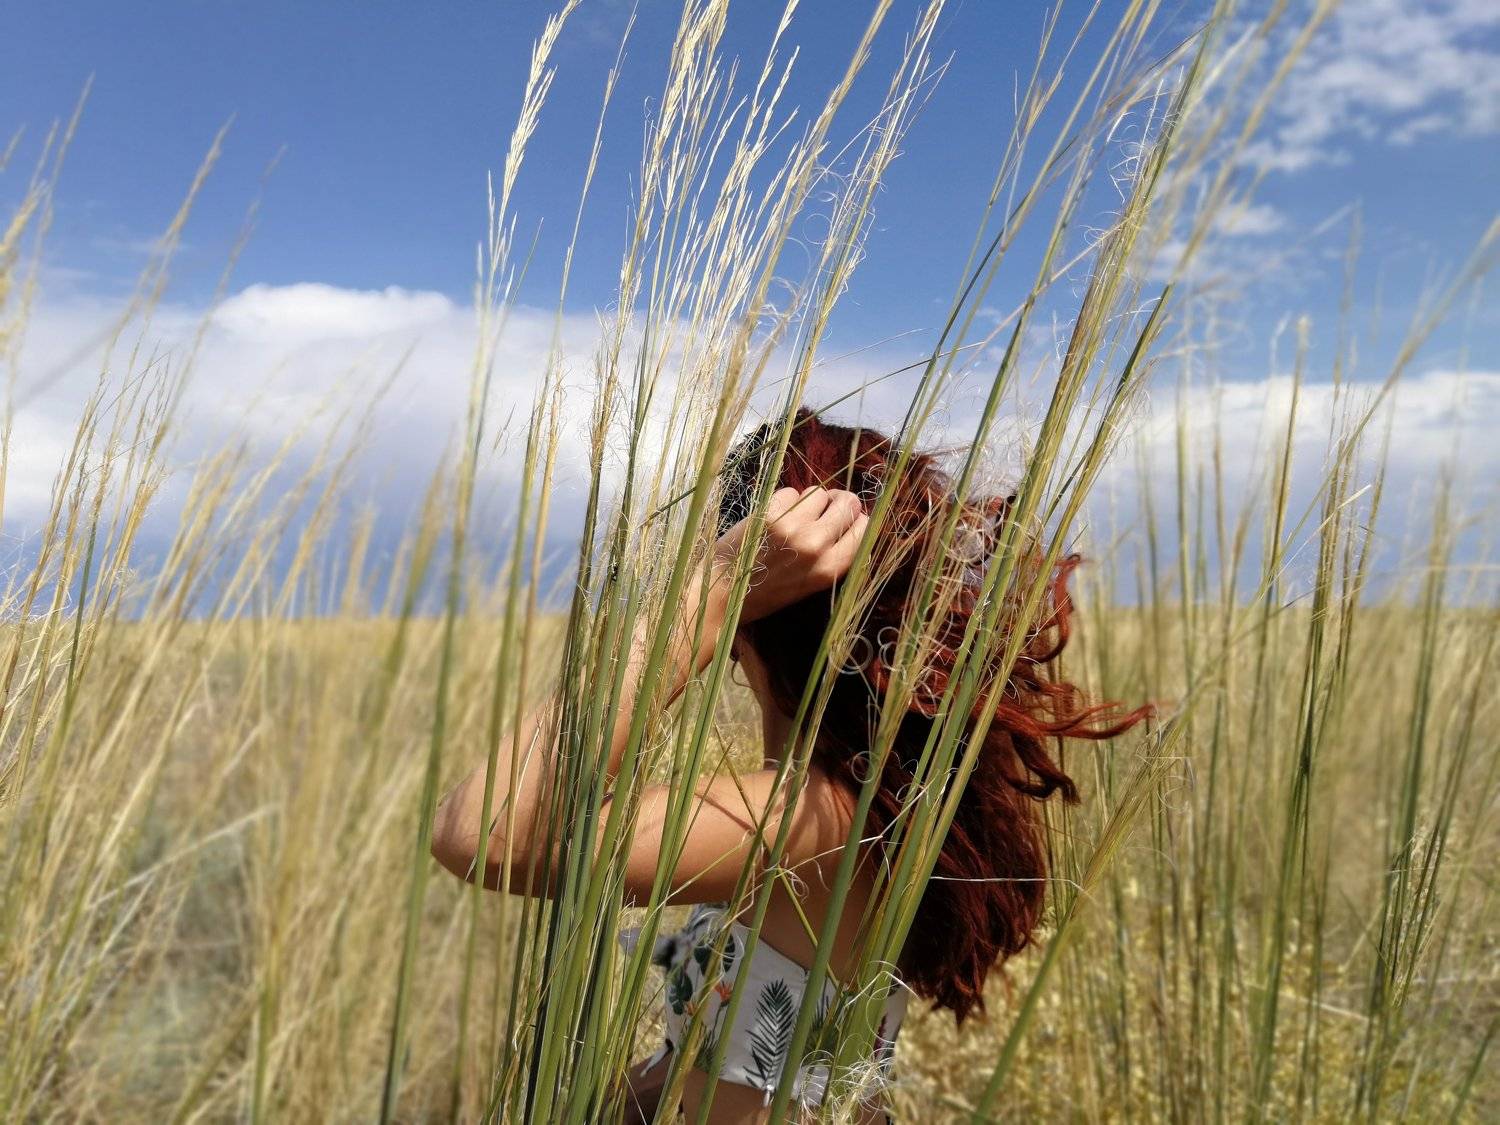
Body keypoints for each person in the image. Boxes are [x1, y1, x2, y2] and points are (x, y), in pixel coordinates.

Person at [430, 409, 1150, 1123]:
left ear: (757, 616)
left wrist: (708, 597)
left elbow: (486, 833)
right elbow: (713, 1062)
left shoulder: (819, 818)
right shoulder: (850, 803)